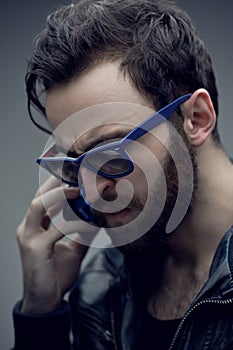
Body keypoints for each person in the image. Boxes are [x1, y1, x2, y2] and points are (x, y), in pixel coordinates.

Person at [12, 0, 233, 349]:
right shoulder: (100, 288)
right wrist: (41, 316)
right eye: (74, 164)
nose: (92, 191)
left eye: (111, 152)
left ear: (197, 119)